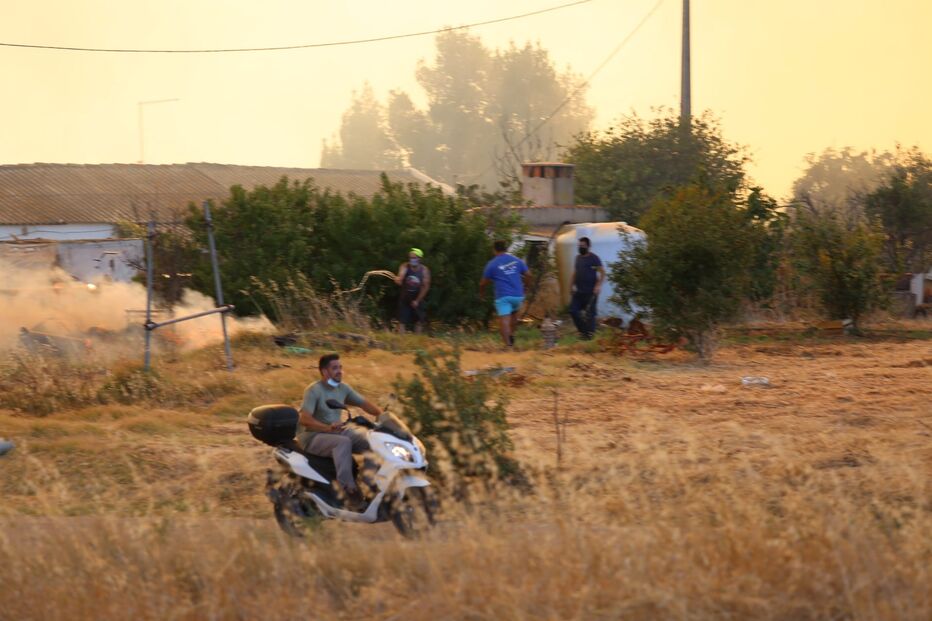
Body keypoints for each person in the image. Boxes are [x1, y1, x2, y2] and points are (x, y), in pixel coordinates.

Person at [296, 353, 383, 508]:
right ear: (324, 371)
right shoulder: (314, 390)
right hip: (312, 435)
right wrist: (327, 427)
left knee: (371, 440)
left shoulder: (342, 388)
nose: (339, 371)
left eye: (340, 367)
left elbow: (364, 404)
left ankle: (370, 480)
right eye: (335, 368)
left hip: (334, 430)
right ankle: (348, 490)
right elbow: (304, 419)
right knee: (343, 442)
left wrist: (383, 416)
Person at [480, 240, 531, 348]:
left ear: (494, 250)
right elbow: (528, 275)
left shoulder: (492, 264)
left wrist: (482, 294)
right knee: (514, 316)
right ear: (506, 249)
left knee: (505, 320)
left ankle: (508, 345)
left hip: (503, 296)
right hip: (517, 295)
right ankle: (511, 336)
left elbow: (483, 283)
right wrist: (526, 288)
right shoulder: (516, 260)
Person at [569, 236, 605, 340]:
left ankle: (589, 334)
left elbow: (602, 273)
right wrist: (570, 286)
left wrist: (598, 286)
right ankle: (583, 331)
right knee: (573, 311)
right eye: (579, 246)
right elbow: (575, 273)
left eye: (583, 246)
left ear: (588, 246)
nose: (581, 248)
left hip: (590, 292)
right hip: (579, 291)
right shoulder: (578, 258)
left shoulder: (594, 258)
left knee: (590, 314)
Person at [394, 248, 431, 334]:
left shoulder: (424, 270)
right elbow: (401, 275)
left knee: (419, 322)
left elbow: (425, 287)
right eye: (410, 257)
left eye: (414, 258)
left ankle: (417, 340)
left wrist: (417, 301)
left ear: (419, 259)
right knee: (402, 321)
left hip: (418, 298)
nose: (412, 260)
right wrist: (398, 279)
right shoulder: (405, 266)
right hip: (405, 298)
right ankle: (401, 340)